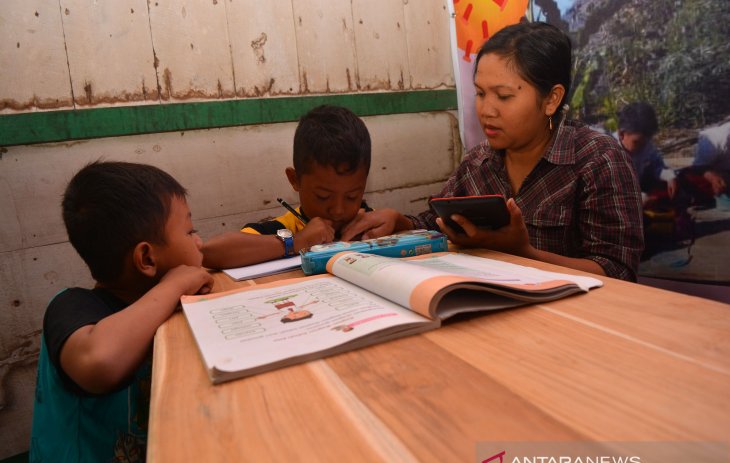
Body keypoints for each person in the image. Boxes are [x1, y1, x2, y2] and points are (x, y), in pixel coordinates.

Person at [341, 21, 644, 281]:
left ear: (551, 99)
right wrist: (401, 223)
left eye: (503, 96)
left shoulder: (598, 160)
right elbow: (437, 221)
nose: (486, 110)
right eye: (481, 93)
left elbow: (617, 272)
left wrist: (522, 253)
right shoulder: (479, 162)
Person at [30, 161, 213, 463]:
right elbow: (99, 362)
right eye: (189, 231)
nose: (199, 241)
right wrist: (172, 286)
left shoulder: (159, 300)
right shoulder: (72, 306)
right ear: (147, 259)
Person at [203, 105, 372, 269]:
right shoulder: (283, 229)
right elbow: (211, 252)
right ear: (295, 179)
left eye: (352, 196)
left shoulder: (363, 220)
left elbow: (395, 226)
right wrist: (298, 241)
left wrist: (395, 218)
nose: (338, 210)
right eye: (323, 196)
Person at [617, 101, 676, 204]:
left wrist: (669, 176)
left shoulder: (646, 146)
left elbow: (657, 166)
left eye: (646, 142)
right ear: (621, 134)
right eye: (637, 142)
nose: (642, 147)